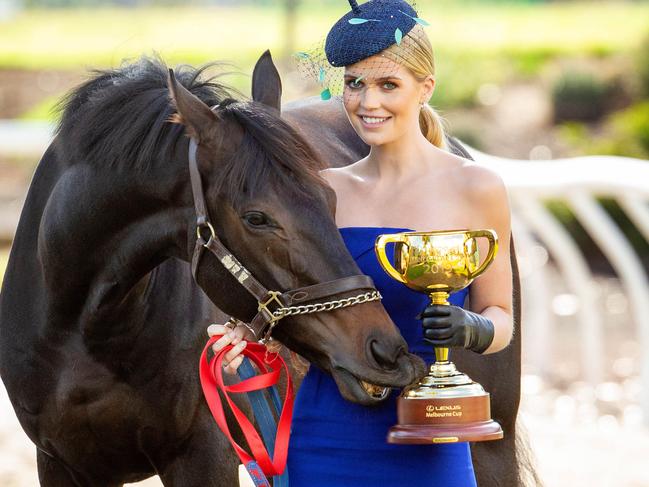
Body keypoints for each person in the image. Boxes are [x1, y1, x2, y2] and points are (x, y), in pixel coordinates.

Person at [208, 0, 514, 484]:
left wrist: (468, 327)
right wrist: (250, 333)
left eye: (388, 84)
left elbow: (502, 320)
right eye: (355, 84)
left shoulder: (477, 188)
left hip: (431, 436)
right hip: (324, 436)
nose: (368, 103)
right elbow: (300, 293)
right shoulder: (322, 190)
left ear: (425, 88)